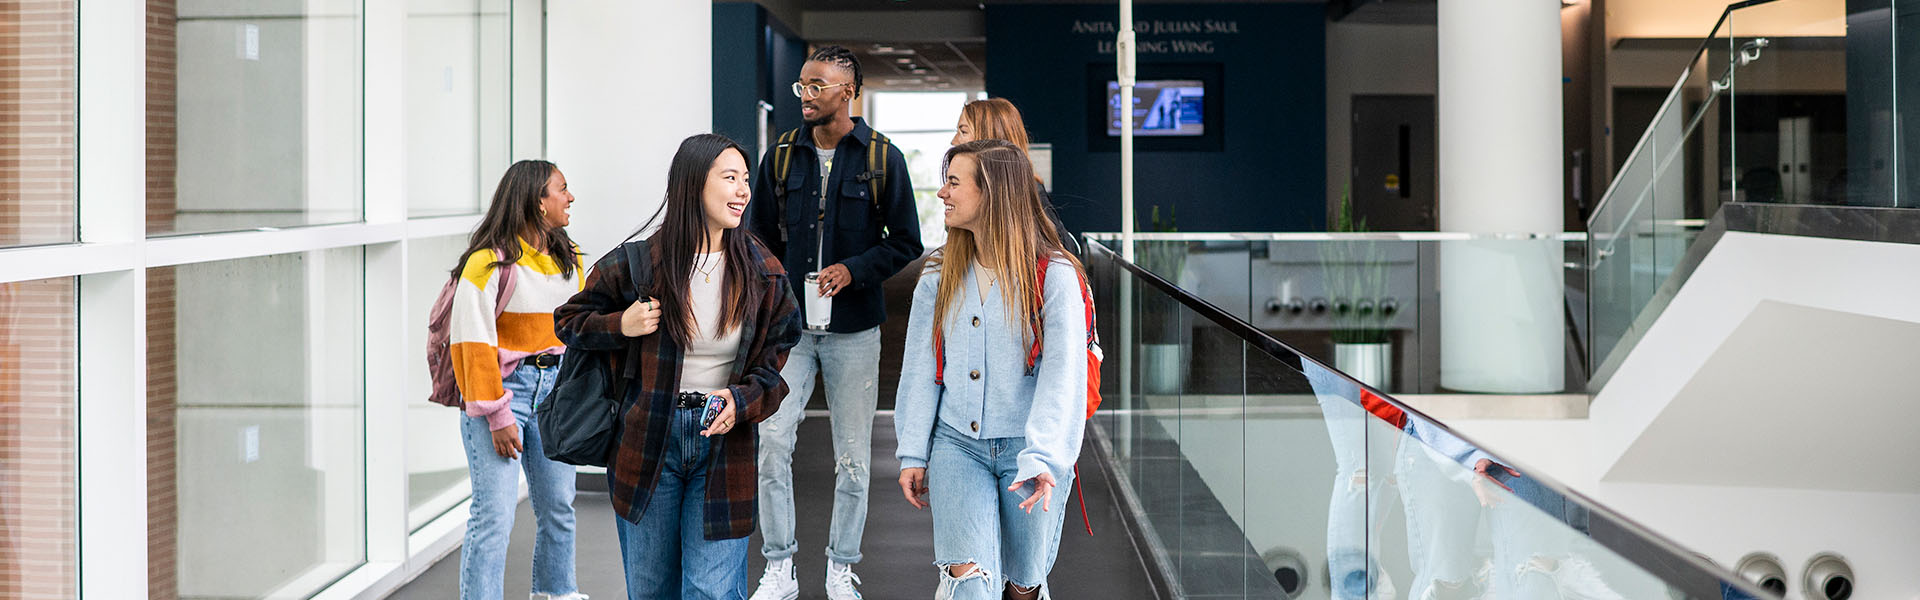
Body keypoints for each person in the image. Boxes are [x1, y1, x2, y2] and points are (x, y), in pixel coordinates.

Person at [553, 134, 801, 599]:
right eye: (730, 178)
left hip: (724, 443)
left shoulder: (762, 271)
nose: (743, 191)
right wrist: (620, 325)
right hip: (648, 439)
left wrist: (741, 400)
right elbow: (568, 322)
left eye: (746, 180)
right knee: (651, 590)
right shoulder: (639, 264)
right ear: (693, 185)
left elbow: (776, 361)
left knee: (710, 591)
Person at [745, 44, 923, 600]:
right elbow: (759, 241)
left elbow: (907, 243)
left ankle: (841, 566)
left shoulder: (882, 158)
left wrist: (854, 269)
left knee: (853, 456)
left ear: (849, 92)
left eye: (817, 86)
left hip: (854, 330)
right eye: (802, 85)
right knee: (772, 441)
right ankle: (779, 565)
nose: (805, 95)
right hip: (789, 333)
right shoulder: (778, 156)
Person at [894, 139, 1091, 600]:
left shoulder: (1054, 274)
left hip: (1029, 453)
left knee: (1023, 584)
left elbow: (1063, 377)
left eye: (954, 183)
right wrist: (913, 452)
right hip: (956, 446)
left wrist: (1044, 456)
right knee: (970, 588)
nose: (942, 193)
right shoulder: (938, 272)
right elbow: (920, 368)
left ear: (993, 194)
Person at [448, 159, 589, 600]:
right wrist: (497, 414)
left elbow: (575, 333)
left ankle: (556, 593)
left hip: (556, 392)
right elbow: (472, 345)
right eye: (561, 189)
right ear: (537, 202)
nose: (570, 197)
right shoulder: (487, 264)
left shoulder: (571, 259)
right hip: (503, 394)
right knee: (494, 516)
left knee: (559, 507)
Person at [949, 97, 1079, 255]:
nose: (954, 141)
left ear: (990, 138)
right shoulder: (976, 192)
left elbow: (1061, 253)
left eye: (963, 131)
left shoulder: (1025, 191)